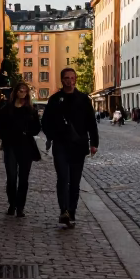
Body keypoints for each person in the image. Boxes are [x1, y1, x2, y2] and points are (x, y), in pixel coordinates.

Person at [42, 67, 99, 227]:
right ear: (62, 80)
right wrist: (53, 135)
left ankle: (72, 211)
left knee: (75, 181)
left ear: (75, 79)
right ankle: (64, 210)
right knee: (62, 178)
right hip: (60, 145)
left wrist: (94, 143)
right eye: (66, 78)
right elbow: (45, 122)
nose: (69, 80)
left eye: (72, 78)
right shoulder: (54, 99)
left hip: (79, 145)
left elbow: (91, 123)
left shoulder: (83, 99)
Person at [0, 82, 41, 217]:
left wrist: (27, 132)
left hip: (26, 147)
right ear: (15, 92)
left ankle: (20, 206)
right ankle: (12, 204)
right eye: (20, 91)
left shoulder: (31, 110)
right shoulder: (6, 109)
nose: (22, 93)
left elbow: (36, 129)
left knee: (23, 179)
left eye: (24, 91)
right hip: (10, 146)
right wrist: (6, 136)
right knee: (11, 177)